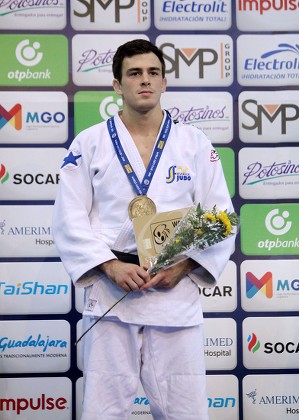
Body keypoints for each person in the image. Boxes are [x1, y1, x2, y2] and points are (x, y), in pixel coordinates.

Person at [52, 39, 236, 419]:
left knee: (185, 410)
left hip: (175, 295)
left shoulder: (194, 143)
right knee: (103, 409)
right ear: (118, 85)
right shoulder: (90, 143)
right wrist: (109, 266)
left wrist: (184, 267)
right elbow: (69, 217)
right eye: (134, 73)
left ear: (165, 82)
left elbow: (221, 217)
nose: (145, 80)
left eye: (153, 73)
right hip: (111, 293)